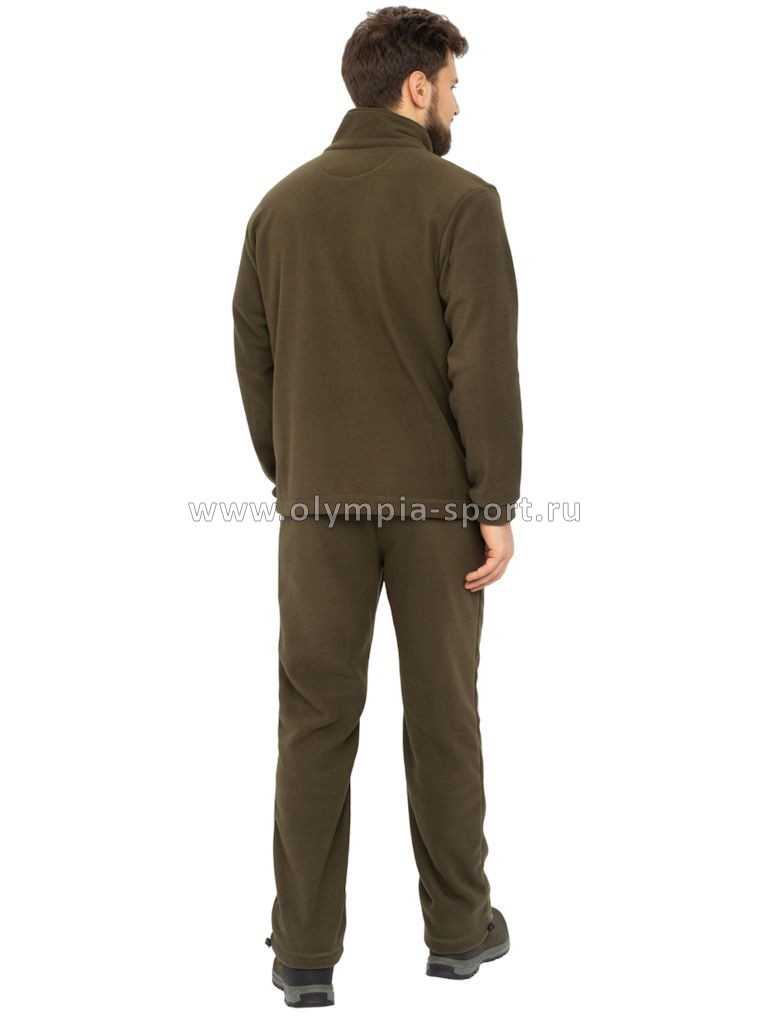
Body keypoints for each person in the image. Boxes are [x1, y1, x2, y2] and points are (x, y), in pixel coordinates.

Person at [232, 6, 522, 1007]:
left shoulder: (279, 208)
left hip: (316, 507)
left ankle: (304, 953)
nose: (457, 106)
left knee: (314, 719)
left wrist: (295, 474)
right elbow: (483, 365)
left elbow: (255, 360)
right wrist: (495, 502)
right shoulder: (462, 202)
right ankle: (458, 931)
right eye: (452, 87)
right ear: (416, 86)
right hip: (439, 511)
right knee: (443, 713)